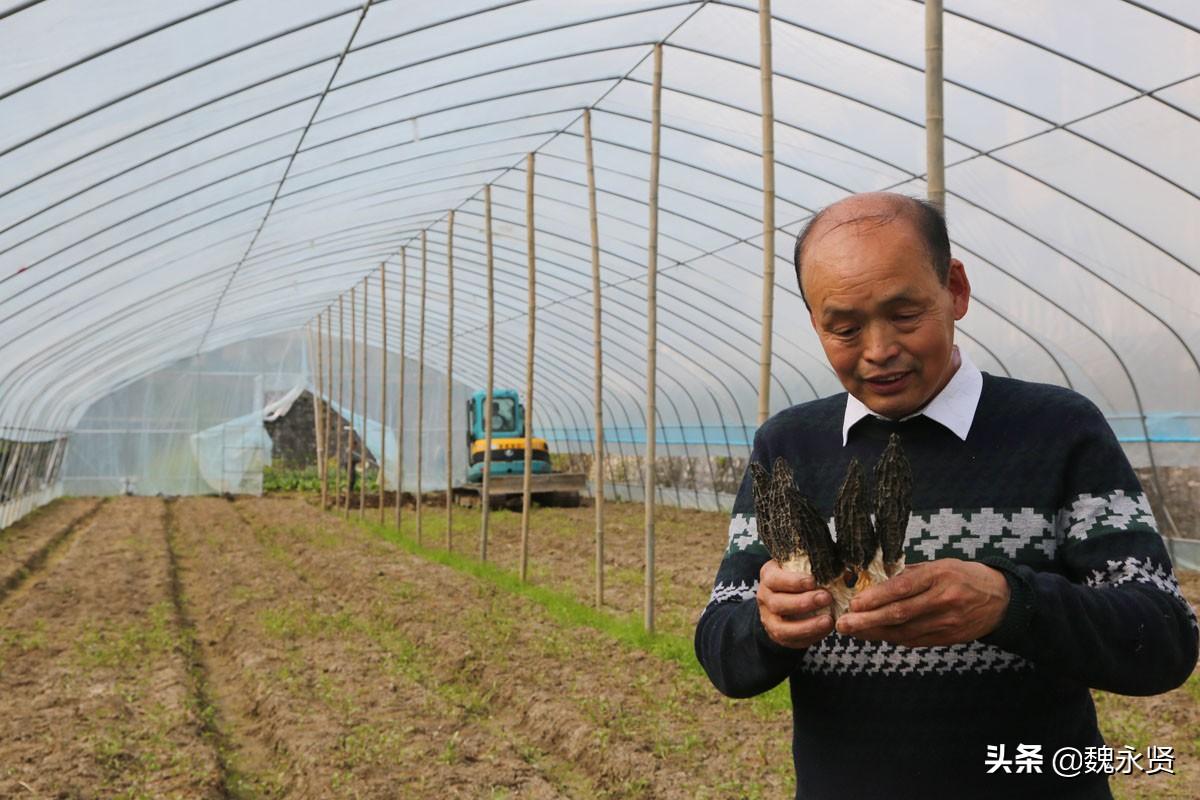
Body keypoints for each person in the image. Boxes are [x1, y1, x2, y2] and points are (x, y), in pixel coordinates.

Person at [694, 192, 1198, 799]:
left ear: (955, 289)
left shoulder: (1059, 429)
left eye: (905, 314)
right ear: (815, 322)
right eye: (845, 327)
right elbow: (722, 648)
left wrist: (1011, 604)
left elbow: (1164, 638)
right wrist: (768, 625)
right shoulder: (789, 447)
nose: (878, 350)